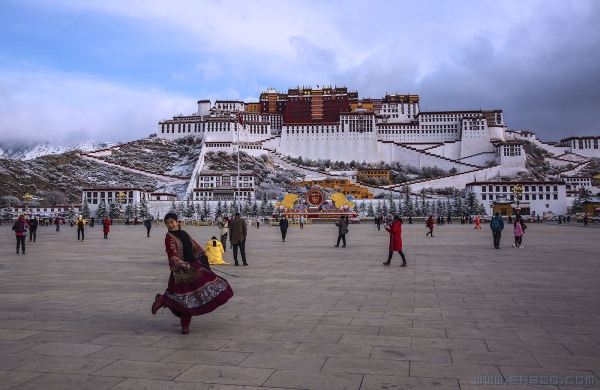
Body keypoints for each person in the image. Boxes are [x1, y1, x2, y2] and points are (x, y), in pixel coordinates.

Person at [151, 213, 233, 334]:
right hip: (181, 271)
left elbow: (196, 247)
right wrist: (182, 264)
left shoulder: (184, 234)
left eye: (172, 221)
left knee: (191, 298)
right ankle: (164, 301)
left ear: (178, 221)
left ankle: (184, 323)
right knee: (185, 298)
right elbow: (172, 254)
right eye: (167, 223)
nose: (170, 225)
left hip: (195, 266)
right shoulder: (169, 237)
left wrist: (203, 258)